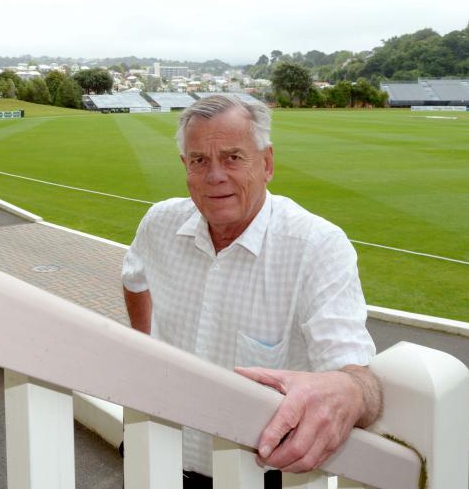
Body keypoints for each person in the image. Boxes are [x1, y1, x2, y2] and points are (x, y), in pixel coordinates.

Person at [121, 95, 382, 488]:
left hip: (258, 477)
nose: (215, 176)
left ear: (267, 163)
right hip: (156, 454)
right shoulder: (159, 223)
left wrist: (350, 391)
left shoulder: (316, 246)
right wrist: (144, 346)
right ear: (185, 168)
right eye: (199, 161)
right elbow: (134, 278)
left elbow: (356, 376)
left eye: (233, 158)